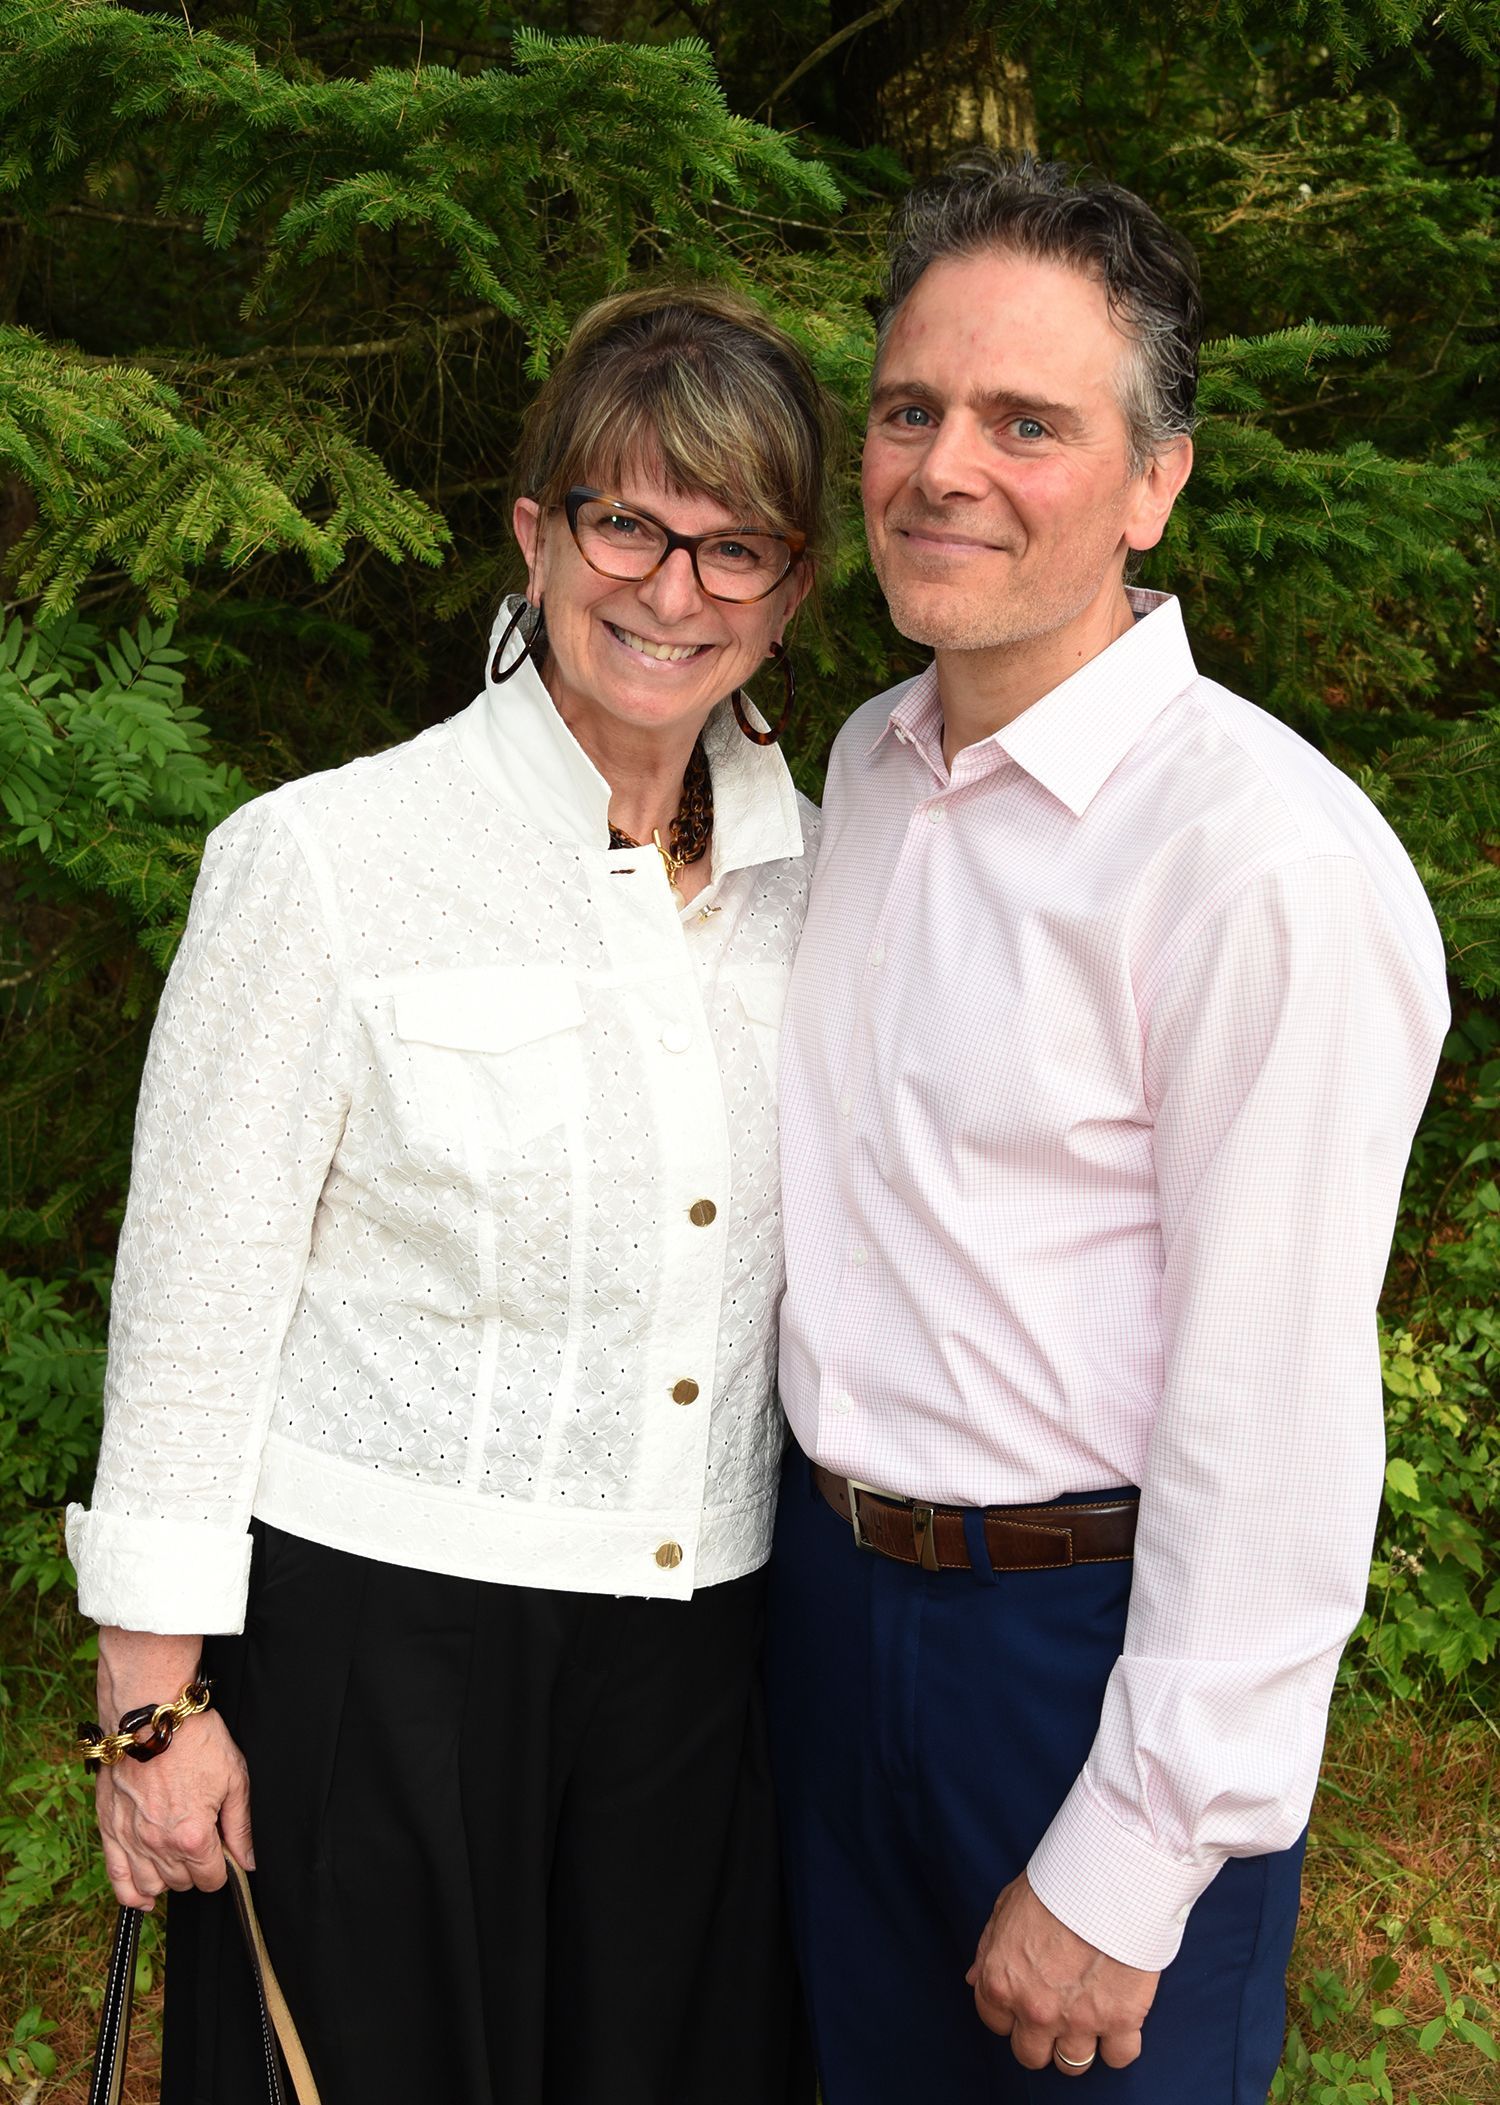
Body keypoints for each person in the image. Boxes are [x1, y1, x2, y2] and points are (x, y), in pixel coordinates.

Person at [65, 283, 839, 2105]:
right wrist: (151, 1706)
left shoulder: (826, 889)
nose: (673, 588)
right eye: (627, 523)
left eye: (736, 547)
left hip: (700, 1668)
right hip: (383, 1667)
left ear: (794, 588)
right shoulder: (329, 863)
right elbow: (191, 1313)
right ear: (535, 532)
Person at [767, 152, 1449, 2104]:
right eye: (910, 410)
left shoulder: (1265, 865)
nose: (941, 466)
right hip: (821, 1625)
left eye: (1027, 424)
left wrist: (1138, 1850)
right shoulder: (869, 771)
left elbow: (1279, 1410)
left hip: (1083, 1665)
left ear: (1155, 481)